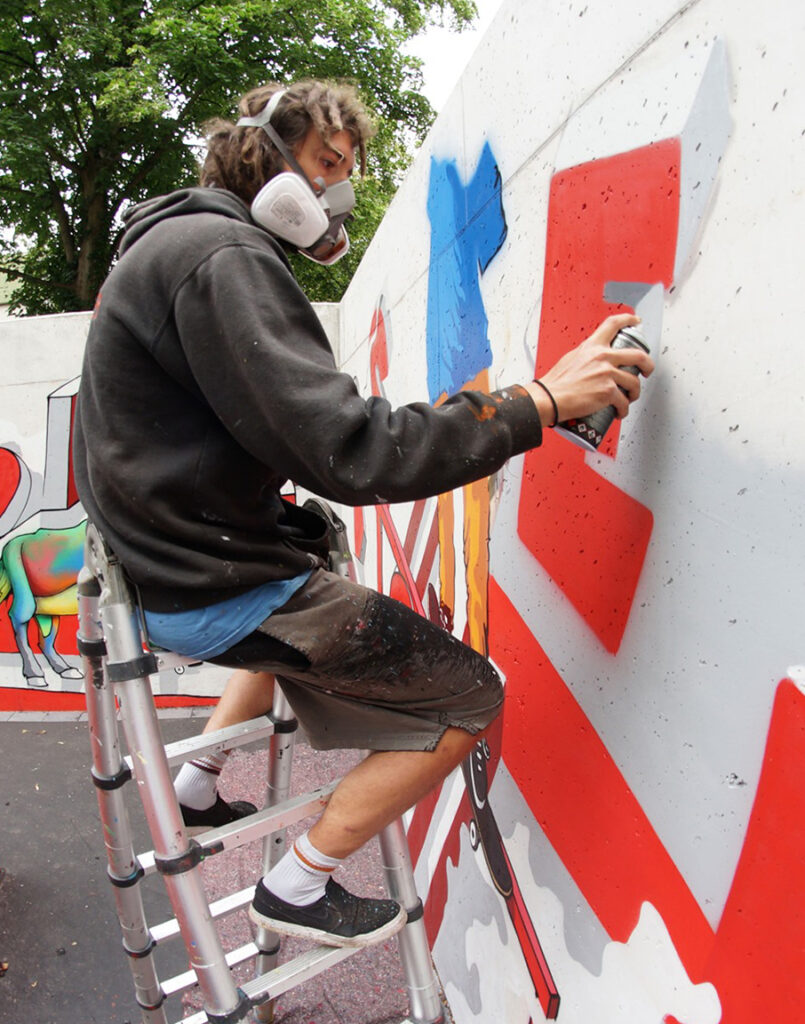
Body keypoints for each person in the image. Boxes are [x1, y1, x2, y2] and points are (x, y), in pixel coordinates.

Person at [73, 79, 653, 949]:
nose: (337, 195)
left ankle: (194, 787)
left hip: (167, 570)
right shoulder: (223, 258)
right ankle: (300, 883)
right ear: (265, 160)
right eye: (326, 166)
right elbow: (353, 451)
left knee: (314, 576)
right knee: (469, 694)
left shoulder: (175, 246)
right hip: (205, 582)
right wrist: (539, 402)